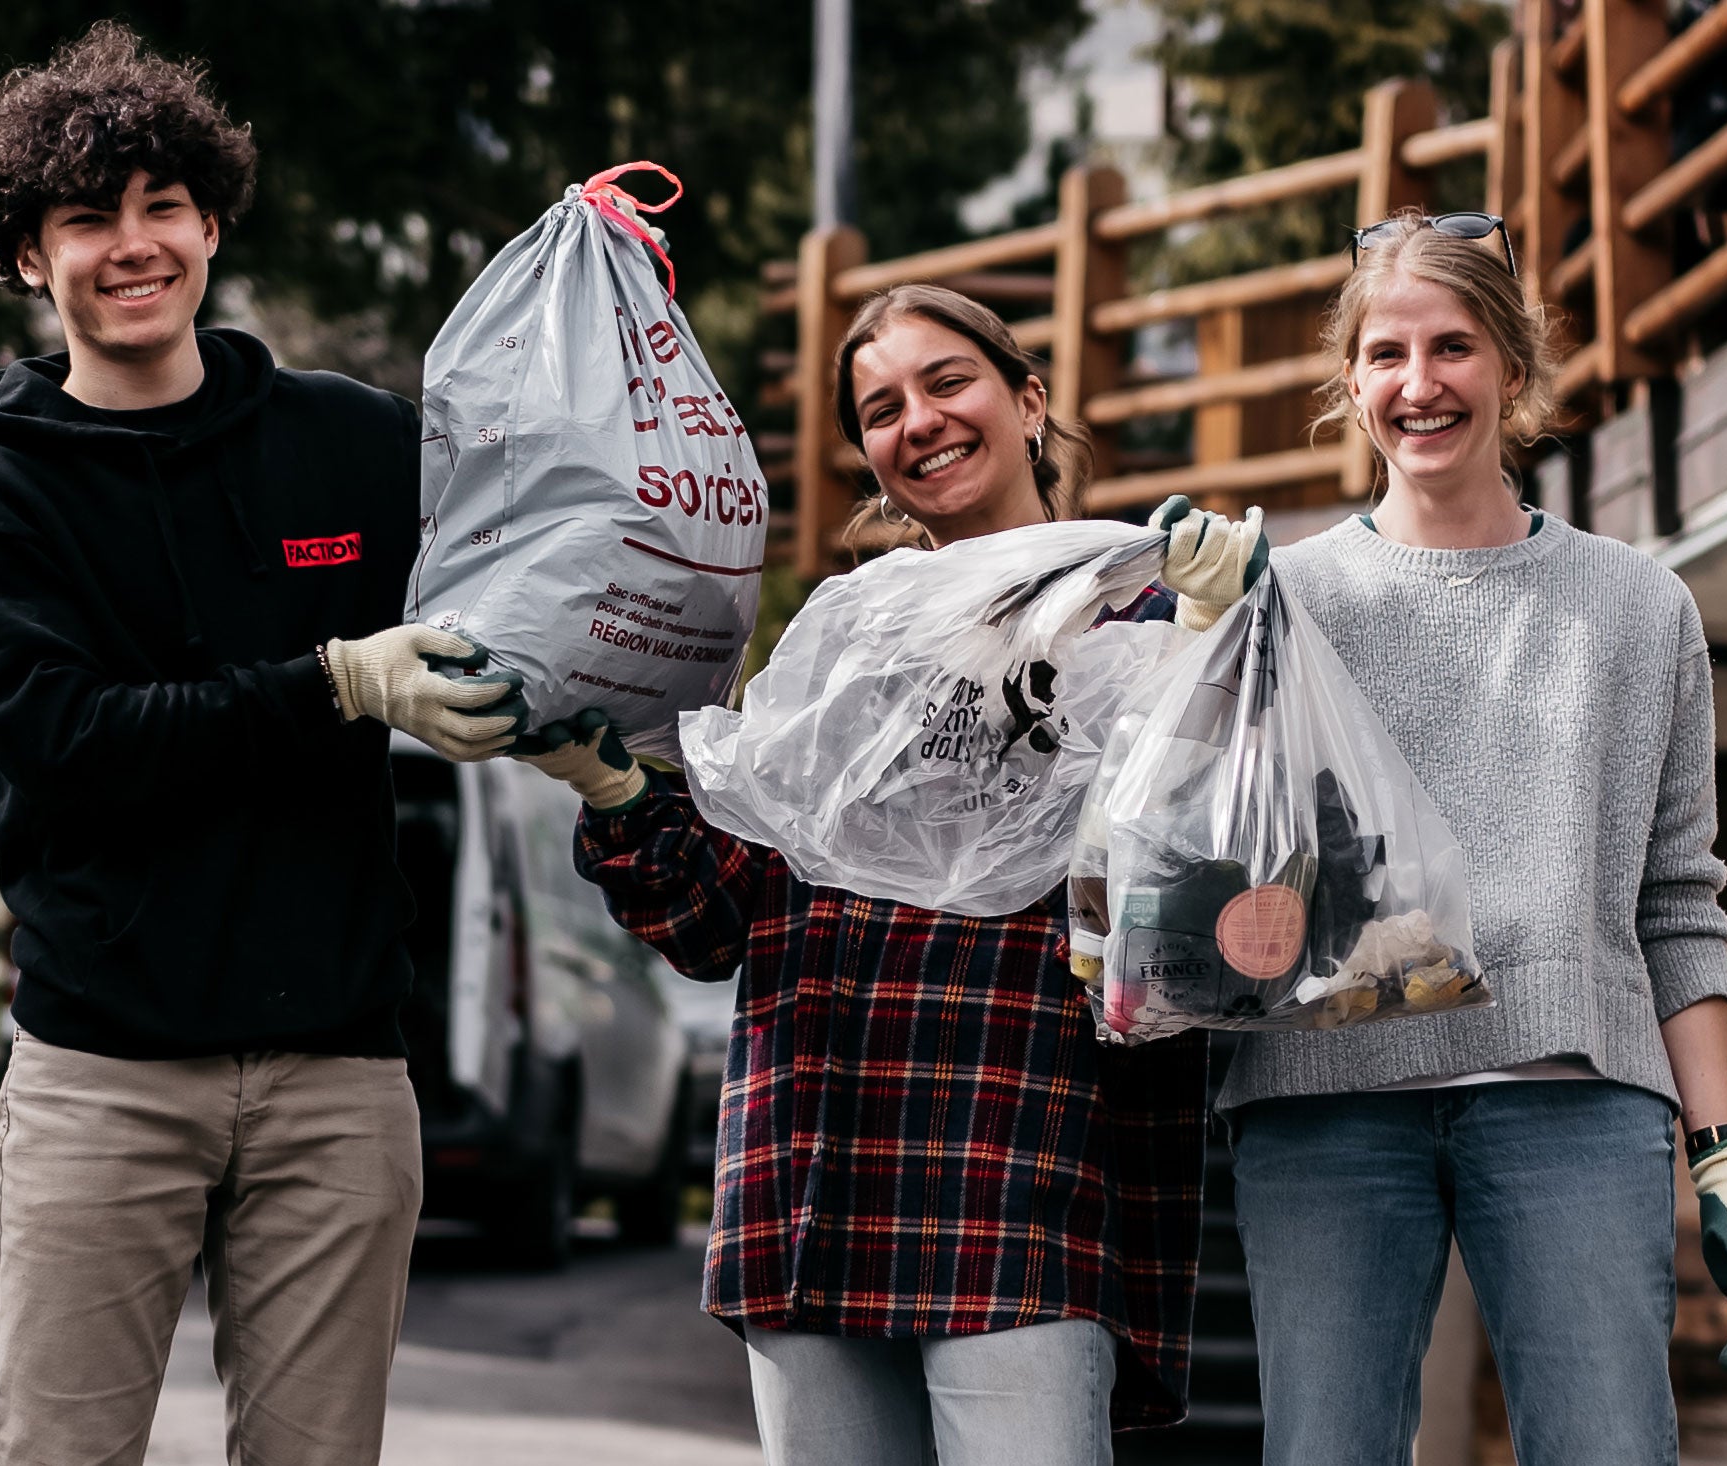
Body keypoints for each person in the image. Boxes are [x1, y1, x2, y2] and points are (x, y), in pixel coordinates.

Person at [511, 284, 1264, 1466]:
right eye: (880, 407)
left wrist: (1220, 660)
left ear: (1029, 398)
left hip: (1017, 1161)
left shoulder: (1152, 613)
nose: (917, 418)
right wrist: (615, 793)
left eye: (947, 382)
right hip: (809, 1163)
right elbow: (722, 921)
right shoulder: (843, 635)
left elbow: (1209, 931)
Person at [0, 24, 520, 1465]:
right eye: (86, 218)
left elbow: (518, 591)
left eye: (161, 207)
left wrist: (577, 719)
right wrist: (332, 683)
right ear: (24, 255)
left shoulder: (355, 447)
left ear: (209, 220)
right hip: (102, 1072)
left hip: (338, 1074)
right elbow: (70, 742)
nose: (134, 245)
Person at [1219, 210, 1727, 1466]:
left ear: (1514, 372)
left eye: (1453, 348)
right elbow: (1215, 871)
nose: (1417, 385)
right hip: (1327, 1103)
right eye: (1384, 354)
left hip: (1572, 1101)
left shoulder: (1638, 608)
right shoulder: (1283, 600)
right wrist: (1187, 641)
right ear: (1351, 382)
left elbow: (1677, 901)